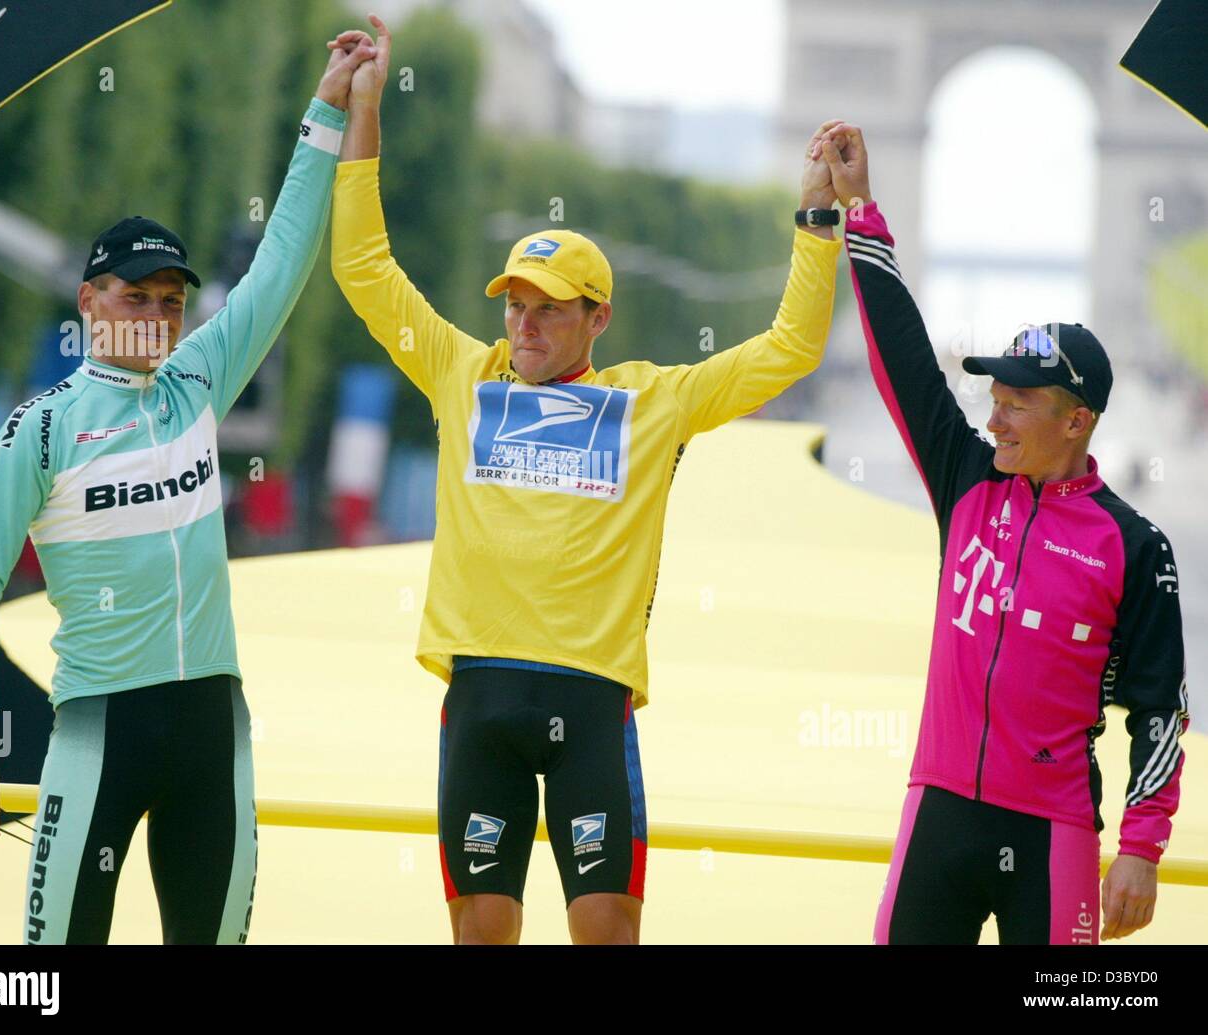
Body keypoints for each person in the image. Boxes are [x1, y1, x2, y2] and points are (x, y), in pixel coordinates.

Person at [330, 17, 845, 944]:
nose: (525, 326)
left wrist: (816, 218)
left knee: (606, 931)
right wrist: (361, 111)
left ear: (598, 317)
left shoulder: (654, 402)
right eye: (516, 306)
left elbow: (793, 347)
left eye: (550, 312)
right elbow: (364, 269)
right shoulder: (463, 371)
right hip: (481, 696)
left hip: (590, 703)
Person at [0, 30, 380, 944]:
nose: (157, 315)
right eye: (135, 298)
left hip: (213, 731)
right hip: (99, 732)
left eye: (172, 301)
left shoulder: (199, 381)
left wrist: (326, 109)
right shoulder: (43, 428)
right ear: (89, 302)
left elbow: (284, 259)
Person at [814, 123, 1190, 944]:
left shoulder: (1134, 546)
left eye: (1020, 401)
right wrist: (861, 213)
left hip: (1053, 831)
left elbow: (1159, 714)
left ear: (1077, 419)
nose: (997, 414)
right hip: (938, 807)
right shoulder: (967, 480)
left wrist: (1142, 847)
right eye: (995, 395)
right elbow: (904, 358)